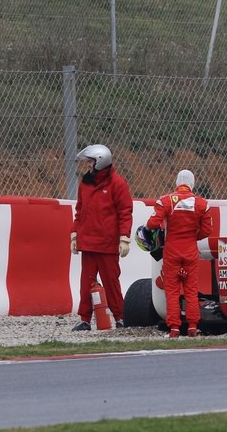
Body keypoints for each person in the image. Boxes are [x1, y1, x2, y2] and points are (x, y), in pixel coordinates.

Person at [70, 144, 133, 331]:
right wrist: (75, 235)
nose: (87, 165)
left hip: (107, 244)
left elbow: (125, 212)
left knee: (111, 282)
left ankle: (120, 318)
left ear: (100, 161)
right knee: (86, 284)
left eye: (90, 162)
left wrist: (124, 238)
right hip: (88, 243)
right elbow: (79, 211)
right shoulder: (86, 184)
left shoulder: (118, 184)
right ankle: (85, 319)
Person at [146, 169, 212, 338]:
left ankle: (174, 328)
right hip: (190, 250)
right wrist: (192, 236)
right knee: (191, 289)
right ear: (192, 183)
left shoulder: (165, 200)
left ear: (177, 182)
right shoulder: (202, 204)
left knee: (172, 290)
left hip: (172, 251)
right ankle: (192, 327)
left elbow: (152, 223)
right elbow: (207, 230)